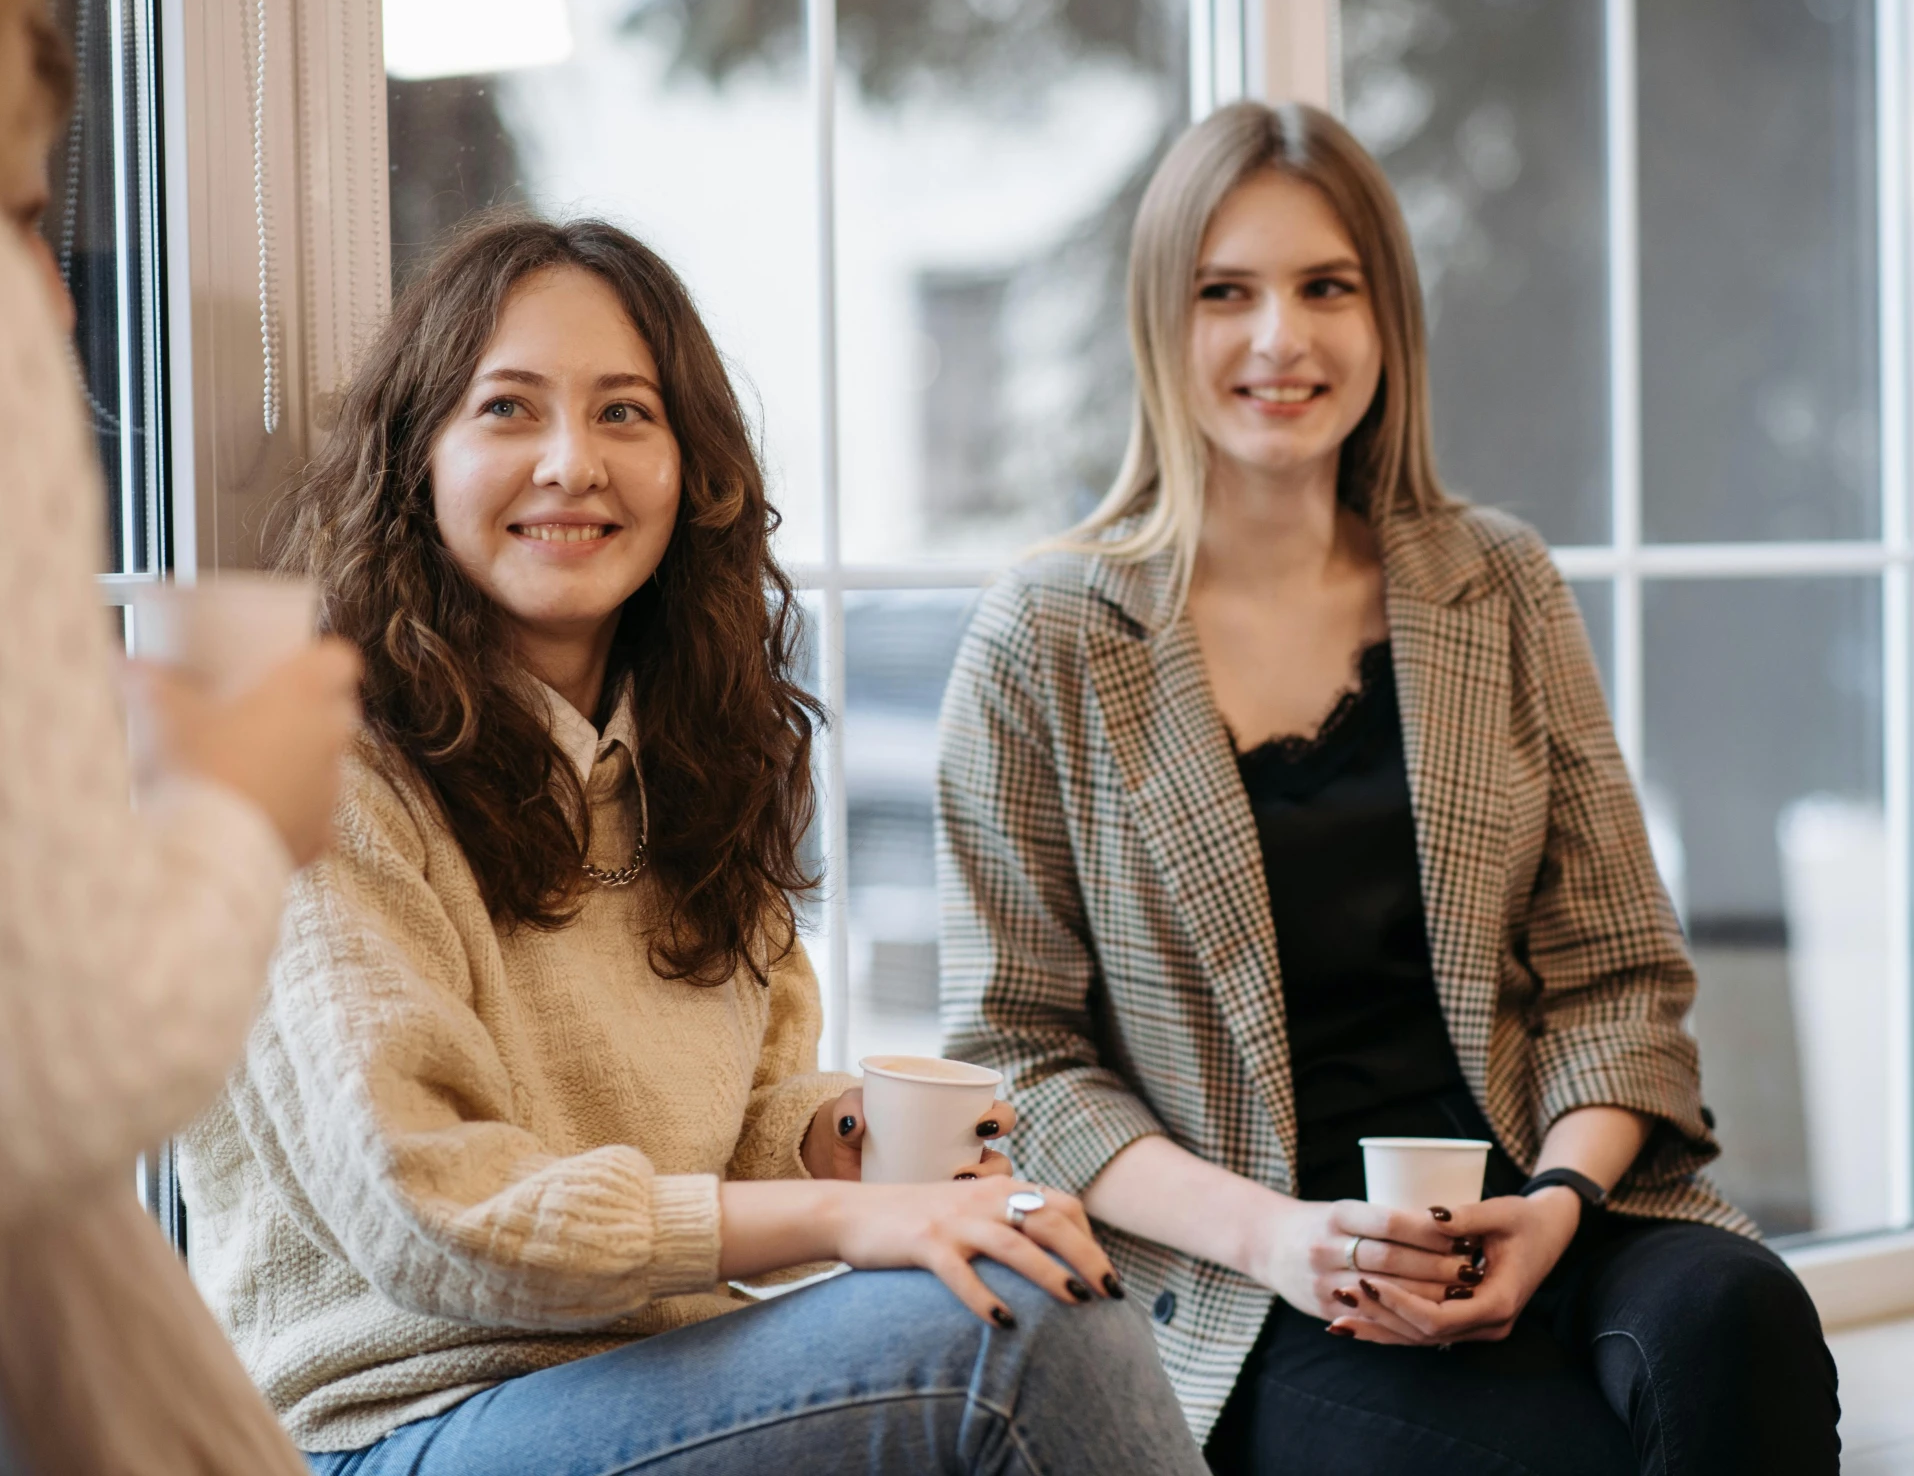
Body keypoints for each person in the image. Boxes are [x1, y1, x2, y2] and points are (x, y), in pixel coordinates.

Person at [180, 211, 1208, 1476]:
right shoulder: (327, 773)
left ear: (690, 467)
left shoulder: (696, 765)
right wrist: (851, 1215)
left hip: (649, 1380)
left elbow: (743, 1123)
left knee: (1039, 1259)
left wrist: (848, 1141)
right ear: (418, 460)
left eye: (625, 412)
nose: (573, 462)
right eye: (509, 408)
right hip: (389, 1430)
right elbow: (434, 1215)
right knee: (1019, 1335)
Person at [935, 101, 1840, 1475]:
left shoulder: (1496, 582)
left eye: (1325, 287)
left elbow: (1617, 977)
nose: (1278, 338)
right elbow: (1015, 1054)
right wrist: (1277, 1238)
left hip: (1548, 1209)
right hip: (1256, 1268)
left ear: (1386, 319)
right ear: (1157, 325)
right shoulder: (1049, 634)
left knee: (1745, 1325)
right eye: (1223, 292)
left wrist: (1552, 1205)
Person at [0, 0, 362, 1470]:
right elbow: (55, 1067)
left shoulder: (694, 750)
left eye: (629, 411)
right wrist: (233, 813)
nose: (54, 303)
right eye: (21, 209)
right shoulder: (355, 738)